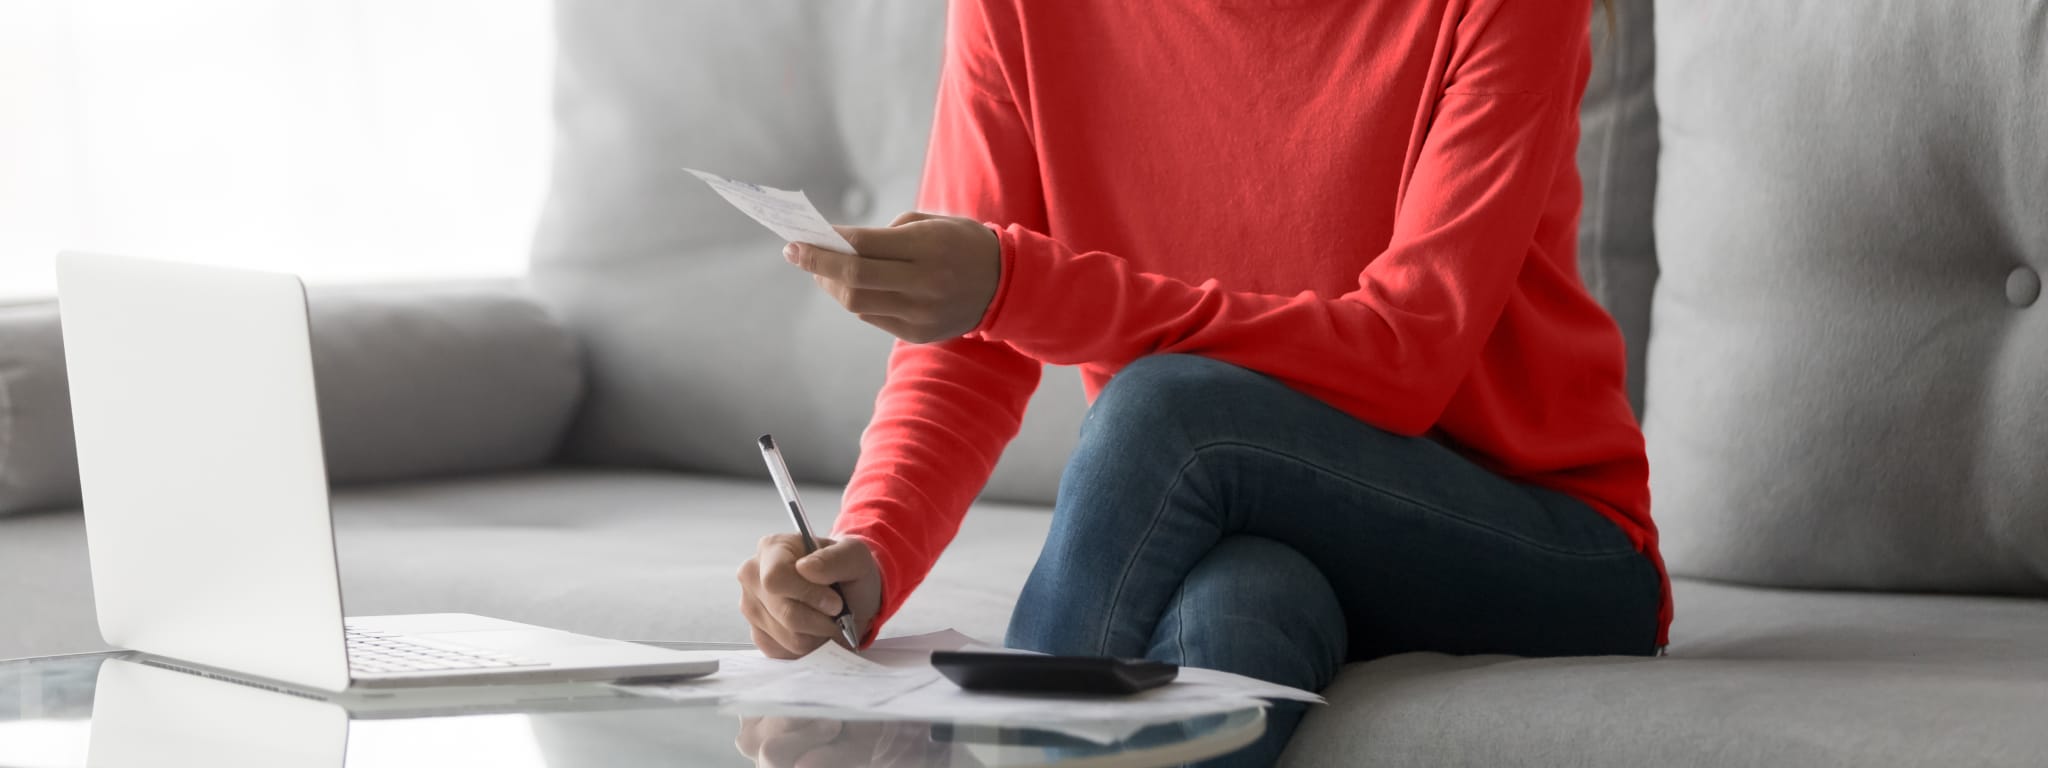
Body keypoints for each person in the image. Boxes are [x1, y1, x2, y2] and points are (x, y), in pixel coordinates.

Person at [736, 0, 1666, 764]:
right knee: (1237, 613)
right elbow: (969, 341)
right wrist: (868, 553)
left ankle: (1002, 750)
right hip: (1249, 529)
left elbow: (1406, 355)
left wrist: (1022, 284)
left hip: (1545, 542)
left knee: (1168, 407)